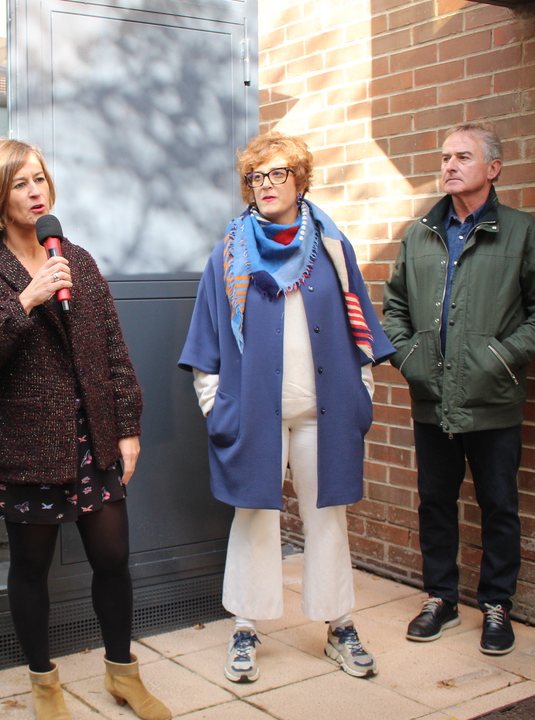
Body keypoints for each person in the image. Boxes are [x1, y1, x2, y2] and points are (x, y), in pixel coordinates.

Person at [0, 138, 170, 720]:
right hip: (26, 447)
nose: (35, 191)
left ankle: (123, 674)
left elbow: (112, 349)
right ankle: (45, 687)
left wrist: (127, 426)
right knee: (31, 569)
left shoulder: (77, 259)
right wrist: (25, 300)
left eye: (39, 178)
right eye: (19, 183)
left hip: (92, 438)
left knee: (113, 558)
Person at [179, 132, 395, 683]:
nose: (266, 184)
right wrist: (214, 406)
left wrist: (362, 392)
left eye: (278, 173)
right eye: (256, 176)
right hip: (252, 414)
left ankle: (339, 625)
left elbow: (360, 325)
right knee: (253, 517)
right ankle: (245, 628)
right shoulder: (229, 254)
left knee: (328, 518)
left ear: (300, 181)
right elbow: (207, 340)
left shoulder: (332, 247)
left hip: (326, 412)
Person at [382, 122, 535, 656]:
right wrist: (411, 359)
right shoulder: (419, 233)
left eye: (462, 157)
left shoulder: (522, 233)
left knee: (498, 505)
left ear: (493, 168)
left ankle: (496, 605)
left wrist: (501, 357)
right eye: (445, 157)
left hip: (493, 399)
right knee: (435, 502)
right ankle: (440, 598)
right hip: (432, 398)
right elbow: (393, 308)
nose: (449, 166)